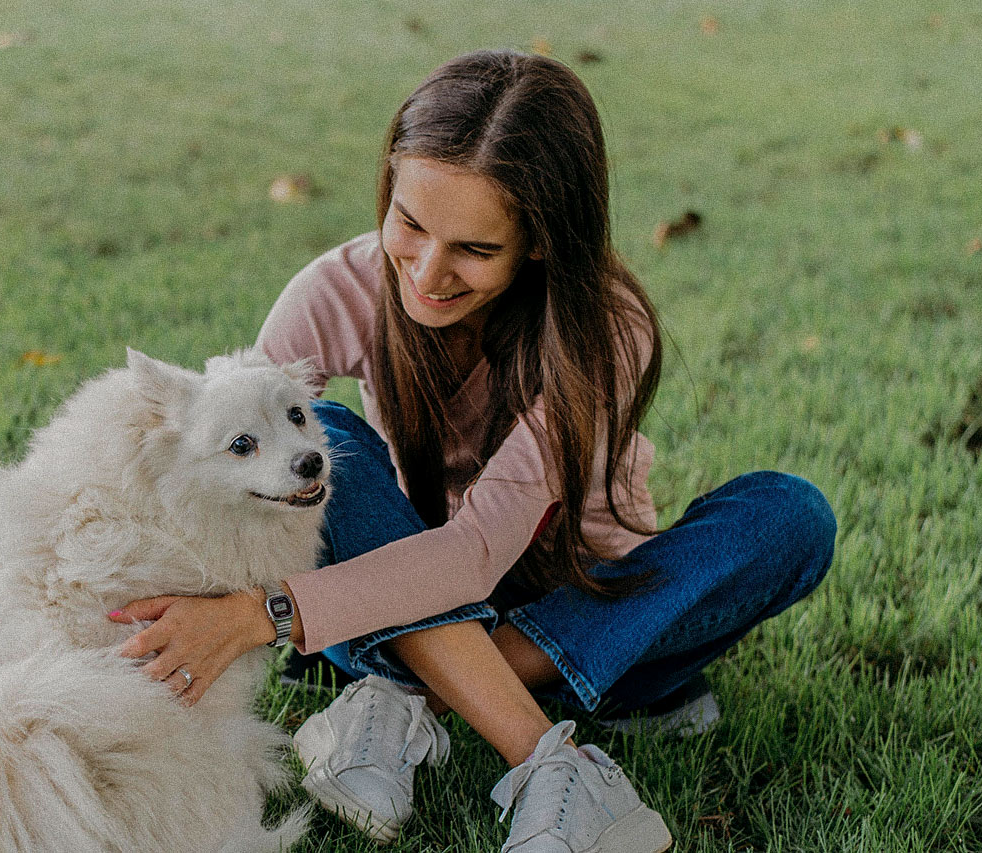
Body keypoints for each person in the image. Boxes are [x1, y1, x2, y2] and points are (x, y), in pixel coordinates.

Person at [106, 50, 836, 852]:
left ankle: (405, 699)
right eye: (410, 224)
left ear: (541, 243)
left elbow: (479, 553)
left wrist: (266, 613)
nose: (426, 271)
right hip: (399, 586)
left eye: (475, 250)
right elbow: (240, 471)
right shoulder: (339, 288)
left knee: (789, 515)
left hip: (575, 600)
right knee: (317, 441)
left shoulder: (603, 328)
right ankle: (528, 733)